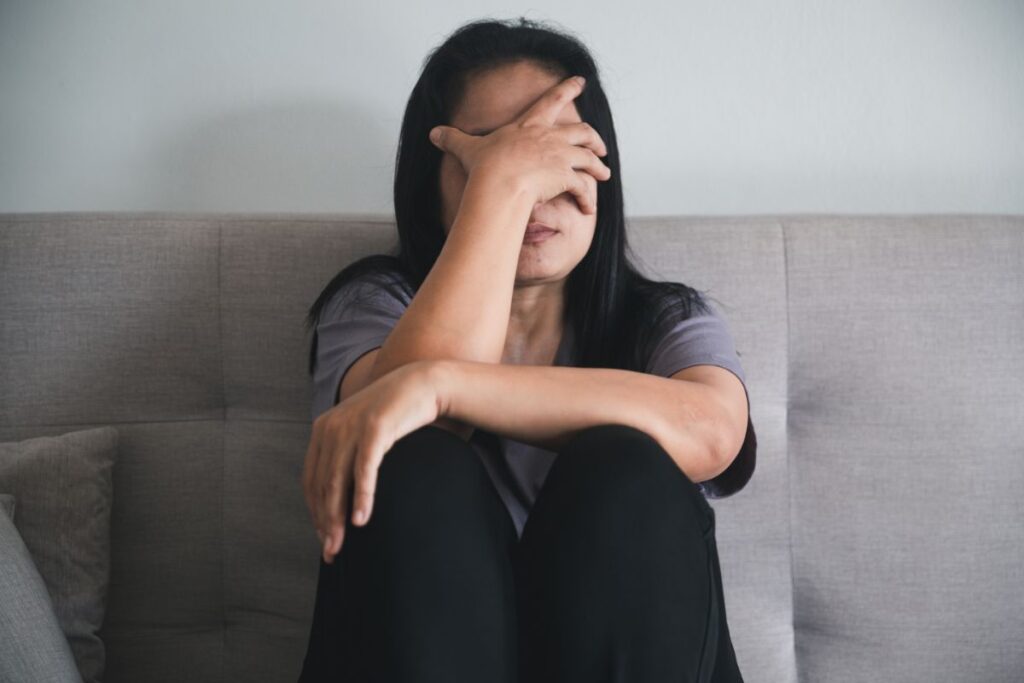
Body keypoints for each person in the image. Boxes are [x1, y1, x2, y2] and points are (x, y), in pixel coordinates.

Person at [297, 16, 757, 683]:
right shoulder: (373, 303)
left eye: (553, 153)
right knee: (416, 457)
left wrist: (442, 384)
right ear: (436, 182)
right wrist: (502, 189)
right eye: (491, 153)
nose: (534, 183)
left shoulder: (664, 317)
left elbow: (712, 429)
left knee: (626, 464)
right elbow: (390, 436)